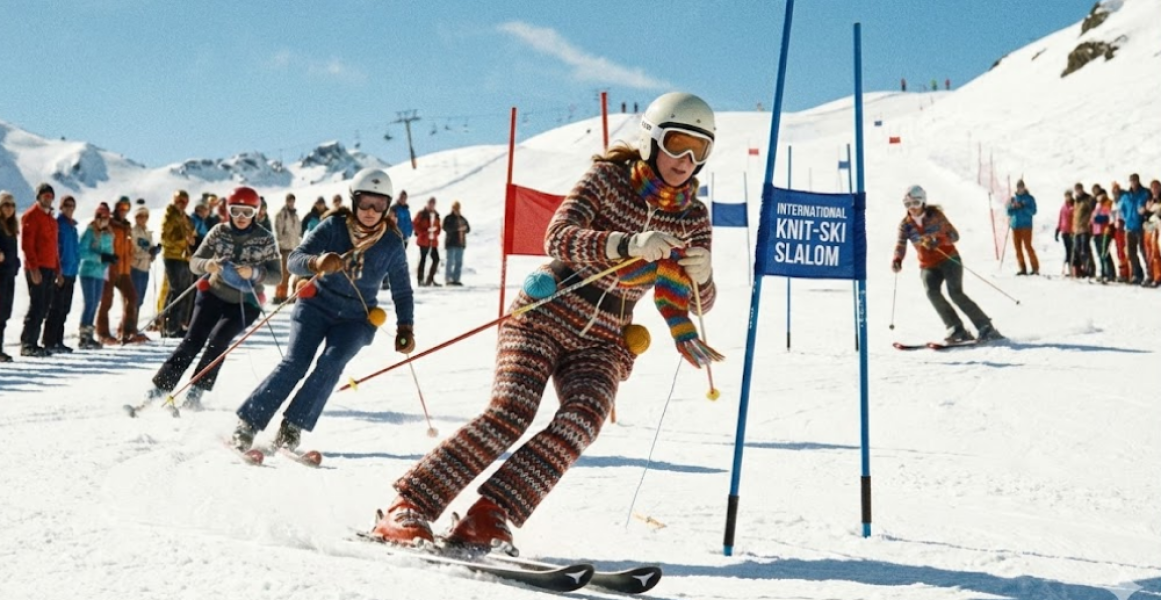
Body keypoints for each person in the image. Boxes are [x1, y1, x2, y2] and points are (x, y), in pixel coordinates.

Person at [370, 92, 722, 553]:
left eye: (700, 150)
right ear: (651, 139)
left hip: (604, 339)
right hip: (546, 313)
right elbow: (558, 237)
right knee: (510, 413)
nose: (686, 159)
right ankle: (409, 506)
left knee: (583, 419)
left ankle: (488, 516)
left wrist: (704, 276)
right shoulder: (607, 180)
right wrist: (627, 243)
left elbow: (694, 301)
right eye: (678, 143)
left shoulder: (693, 215)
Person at [232, 169, 413, 452]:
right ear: (354, 201)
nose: (370, 210)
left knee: (332, 362)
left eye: (378, 204)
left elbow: (402, 290)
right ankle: (248, 424)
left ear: (387, 206)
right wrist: (316, 262)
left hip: (356, 318)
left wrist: (406, 328)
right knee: (296, 362)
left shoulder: (391, 243)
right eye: (365, 202)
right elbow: (293, 260)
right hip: (316, 305)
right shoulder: (333, 227)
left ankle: (292, 428)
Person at [144, 187, 280, 411]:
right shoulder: (219, 232)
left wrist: (255, 273)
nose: (241, 218)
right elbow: (195, 261)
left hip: (245, 303)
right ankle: (160, 389)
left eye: (247, 212)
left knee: (219, 341)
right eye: (236, 212)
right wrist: (208, 265)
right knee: (193, 340)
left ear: (256, 212)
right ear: (229, 211)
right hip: (214, 293)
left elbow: (277, 275)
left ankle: (195, 393)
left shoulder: (265, 239)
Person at [892, 184, 1003, 343]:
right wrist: (897, 259)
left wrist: (938, 240)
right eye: (908, 204)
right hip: (928, 265)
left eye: (915, 203)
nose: (912, 208)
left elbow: (954, 236)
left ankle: (986, 327)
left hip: (949, 259)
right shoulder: (906, 224)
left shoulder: (936, 216)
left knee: (955, 293)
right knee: (931, 292)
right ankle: (956, 329)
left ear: (923, 202)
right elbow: (900, 244)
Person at [19, 183, 60, 357]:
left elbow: (53, 246)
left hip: (50, 266)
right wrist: (34, 268)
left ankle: (35, 342)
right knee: (36, 305)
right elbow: (27, 245)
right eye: (45, 195)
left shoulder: (51, 219)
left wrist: (58, 269)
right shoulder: (31, 216)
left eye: (50, 196)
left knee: (44, 305)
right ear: (38, 197)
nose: (48, 199)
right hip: (37, 267)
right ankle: (27, 343)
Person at [97, 197, 144, 345]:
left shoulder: (126, 226)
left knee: (132, 297)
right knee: (106, 300)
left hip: (124, 269)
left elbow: (129, 247)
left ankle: (128, 331)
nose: (124, 210)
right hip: (111, 268)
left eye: (127, 207)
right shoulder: (110, 224)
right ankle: (102, 333)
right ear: (116, 208)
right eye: (121, 207)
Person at [43, 195, 79, 353]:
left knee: (65, 308)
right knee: (55, 307)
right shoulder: (59, 224)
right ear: (61, 207)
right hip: (61, 271)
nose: (70, 208)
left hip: (71, 271)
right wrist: (58, 271)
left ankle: (58, 339)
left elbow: (75, 250)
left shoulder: (72, 227)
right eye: (67, 205)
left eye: (72, 205)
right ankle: (49, 340)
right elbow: (56, 249)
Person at [77, 203, 115, 349]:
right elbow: (82, 251)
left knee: (95, 303)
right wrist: (100, 258)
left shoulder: (108, 234)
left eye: (106, 217)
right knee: (89, 302)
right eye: (101, 217)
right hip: (88, 272)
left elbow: (109, 252)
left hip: (99, 273)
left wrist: (109, 259)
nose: (104, 220)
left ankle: (89, 334)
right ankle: (84, 336)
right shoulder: (90, 232)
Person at [161, 190, 197, 338]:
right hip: (172, 256)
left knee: (183, 291)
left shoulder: (185, 218)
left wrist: (191, 240)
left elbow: (192, 234)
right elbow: (166, 237)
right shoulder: (170, 216)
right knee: (177, 290)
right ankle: (170, 326)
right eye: (179, 201)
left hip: (184, 257)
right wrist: (184, 241)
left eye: (184, 201)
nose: (182, 204)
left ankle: (177, 324)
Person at [1121, 173, 1151, 284]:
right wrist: (1126, 218)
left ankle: (1150, 273)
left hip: (1141, 227)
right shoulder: (1126, 195)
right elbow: (1123, 209)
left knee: (1144, 251)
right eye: (1132, 180)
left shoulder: (1145, 193)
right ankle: (1137, 274)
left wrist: (1144, 214)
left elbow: (1149, 207)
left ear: (1138, 180)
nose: (1133, 182)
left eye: (1135, 180)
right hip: (1129, 227)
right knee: (1130, 252)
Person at [0, 192, 20, 362]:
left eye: (12, 205)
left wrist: (16, 264)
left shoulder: (11, 227)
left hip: (9, 275)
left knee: (5, 312)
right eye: (6, 204)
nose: (9, 208)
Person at [273, 192, 302, 303]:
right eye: (289, 200)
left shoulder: (295, 215)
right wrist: (281, 241)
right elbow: (278, 230)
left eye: (292, 200)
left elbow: (298, 230)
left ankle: (292, 295)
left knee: (293, 272)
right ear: (286, 201)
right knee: (284, 273)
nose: (291, 203)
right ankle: (280, 295)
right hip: (285, 247)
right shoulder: (281, 214)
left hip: (294, 247)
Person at [130, 203, 159, 312]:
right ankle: (129, 325)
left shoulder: (147, 233)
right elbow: (135, 250)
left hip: (145, 267)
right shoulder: (133, 232)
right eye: (140, 216)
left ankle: (133, 324)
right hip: (135, 267)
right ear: (136, 218)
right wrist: (150, 252)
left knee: (140, 298)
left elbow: (149, 247)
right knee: (134, 298)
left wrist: (155, 251)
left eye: (145, 216)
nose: (143, 219)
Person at [1006, 179, 1038, 275]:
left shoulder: (1029, 198)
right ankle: (1022, 268)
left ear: (1024, 187)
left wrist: (1023, 207)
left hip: (1026, 226)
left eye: (1022, 187)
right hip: (1015, 226)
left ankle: (1035, 268)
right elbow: (1008, 212)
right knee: (1018, 248)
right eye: (1019, 187)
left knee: (1028, 246)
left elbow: (1033, 211)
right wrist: (1013, 207)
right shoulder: (1013, 198)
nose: (1020, 189)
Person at [384, 190, 413, 291]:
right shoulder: (394, 208)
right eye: (402, 197)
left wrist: (409, 232)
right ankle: (385, 280)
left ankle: (396, 281)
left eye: (404, 197)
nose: (403, 199)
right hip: (395, 236)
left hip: (404, 237)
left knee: (399, 260)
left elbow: (409, 222)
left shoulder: (406, 210)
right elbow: (390, 221)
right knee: (391, 258)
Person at [412, 197, 441, 287]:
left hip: (433, 240)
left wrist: (435, 232)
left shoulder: (436, 215)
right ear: (428, 204)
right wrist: (425, 232)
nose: (432, 205)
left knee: (436, 259)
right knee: (423, 260)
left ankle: (430, 279)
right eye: (430, 203)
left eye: (433, 203)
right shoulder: (421, 214)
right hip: (424, 239)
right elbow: (415, 225)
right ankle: (420, 280)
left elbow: (439, 227)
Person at [442, 200, 470, 286]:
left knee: (459, 262)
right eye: (455, 208)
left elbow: (468, 229)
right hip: (451, 243)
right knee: (450, 261)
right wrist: (457, 228)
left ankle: (456, 279)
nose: (457, 210)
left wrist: (464, 228)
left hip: (460, 243)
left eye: (458, 208)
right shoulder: (448, 218)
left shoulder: (462, 218)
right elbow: (445, 227)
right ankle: (448, 279)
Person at [1071, 183, 1096, 278]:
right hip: (1077, 229)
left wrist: (1087, 222)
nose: (1078, 191)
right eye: (1076, 189)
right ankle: (1081, 270)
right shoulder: (1076, 201)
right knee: (1077, 250)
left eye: (1079, 189)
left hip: (1085, 228)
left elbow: (1092, 211)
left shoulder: (1088, 199)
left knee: (1085, 250)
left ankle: (1090, 270)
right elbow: (1075, 216)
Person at [1091, 186, 1115, 281]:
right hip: (1096, 231)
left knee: (1105, 253)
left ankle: (1110, 273)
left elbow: (1107, 217)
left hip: (1104, 231)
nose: (1099, 197)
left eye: (1101, 195)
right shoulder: (1097, 205)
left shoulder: (1108, 203)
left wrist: (1097, 218)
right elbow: (1093, 216)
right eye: (1098, 196)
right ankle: (1103, 272)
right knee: (1099, 253)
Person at [1055, 191, 1074, 276]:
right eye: (1066, 196)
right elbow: (1060, 219)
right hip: (1064, 231)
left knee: (1071, 251)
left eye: (1069, 196)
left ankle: (1072, 269)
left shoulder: (1073, 206)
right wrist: (1058, 229)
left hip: (1071, 231)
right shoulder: (1063, 207)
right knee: (1067, 250)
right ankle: (1067, 269)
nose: (1067, 198)